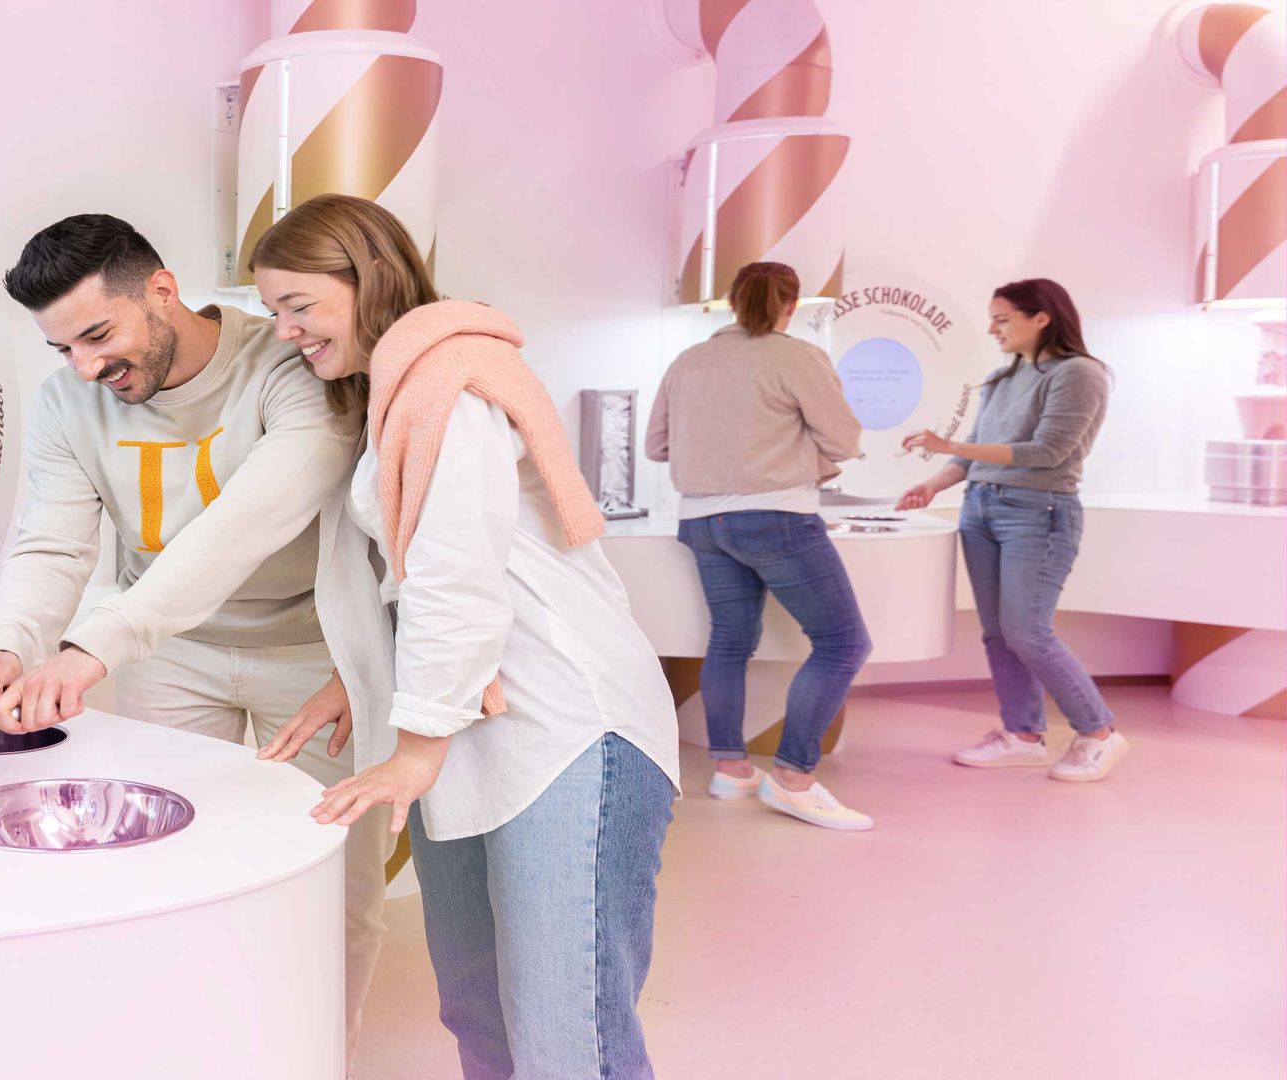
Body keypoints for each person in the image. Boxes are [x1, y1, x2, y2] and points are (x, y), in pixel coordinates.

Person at [250, 193, 681, 1079]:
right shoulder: (395, 394)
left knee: (569, 1039)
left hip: (565, 726)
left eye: (300, 306)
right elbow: (408, 577)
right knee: (479, 1009)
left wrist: (413, 746)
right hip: (468, 729)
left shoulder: (453, 383)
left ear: (366, 277)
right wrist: (359, 678)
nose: (288, 331)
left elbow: (456, 577)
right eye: (273, 313)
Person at [0, 213, 391, 1053]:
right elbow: (52, 541)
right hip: (172, 658)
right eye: (63, 348)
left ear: (162, 291)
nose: (85, 366)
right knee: (167, 869)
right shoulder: (67, 403)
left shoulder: (289, 368)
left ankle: (318, 1055)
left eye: (98, 335)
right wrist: (11, 641)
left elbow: (248, 523)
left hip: (317, 660)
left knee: (335, 888)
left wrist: (92, 648)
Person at [644, 261, 875, 831]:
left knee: (729, 641)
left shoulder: (690, 360)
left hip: (701, 521)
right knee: (843, 642)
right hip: (776, 517)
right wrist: (800, 462)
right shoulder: (795, 356)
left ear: (729, 300)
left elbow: (655, 446)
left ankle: (731, 769)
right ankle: (794, 778)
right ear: (791, 305)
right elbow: (845, 438)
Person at [898, 278, 1123, 781]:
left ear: (1040, 317)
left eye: (1002, 318)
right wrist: (934, 484)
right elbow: (974, 454)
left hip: (1038, 512)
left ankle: (1099, 733)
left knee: (1028, 631)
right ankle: (1022, 735)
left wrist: (947, 443)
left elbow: (1047, 452)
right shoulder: (1002, 379)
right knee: (999, 635)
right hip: (980, 509)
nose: (992, 328)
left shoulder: (1079, 374)